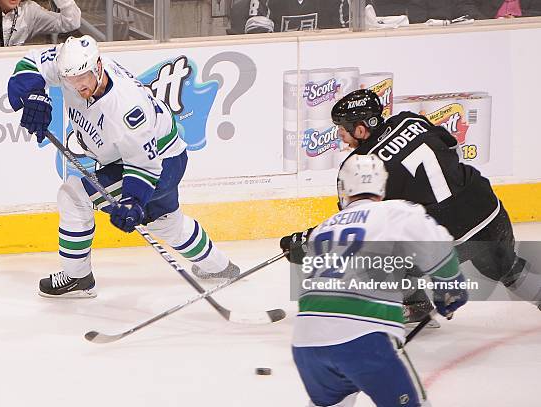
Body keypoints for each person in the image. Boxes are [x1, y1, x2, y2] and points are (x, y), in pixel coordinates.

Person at [7, 35, 240, 298]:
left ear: (98, 67)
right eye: (70, 79)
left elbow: (144, 165)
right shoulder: (72, 64)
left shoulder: (127, 109)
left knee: (73, 195)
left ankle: (77, 276)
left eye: (83, 78)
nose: (77, 85)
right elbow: (30, 64)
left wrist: (133, 201)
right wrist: (33, 94)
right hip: (150, 156)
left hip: (159, 164)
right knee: (166, 224)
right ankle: (221, 267)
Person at [329, 89, 541, 320]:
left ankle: (415, 305)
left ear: (360, 129)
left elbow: (360, 222)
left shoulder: (359, 165)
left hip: (448, 235)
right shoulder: (409, 119)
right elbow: (452, 149)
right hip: (487, 209)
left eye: (342, 127)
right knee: (508, 269)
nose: (339, 133)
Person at [281, 154, 466, 407]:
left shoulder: (323, 228)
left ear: (343, 189)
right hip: (365, 338)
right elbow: (440, 249)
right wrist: (450, 289)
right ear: (381, 186)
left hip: (307, 345)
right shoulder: (396, 211)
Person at [227, 0, 349, 35]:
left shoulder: (339, 2)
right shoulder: (261, 2)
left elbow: (347, 39)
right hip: (278, 68)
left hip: (325, 70)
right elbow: (260, 43)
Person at [458, 0, 541, 19]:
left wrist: (516, 19)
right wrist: (487, 22)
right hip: (487, 30)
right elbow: (466, 4)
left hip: (527, 29)